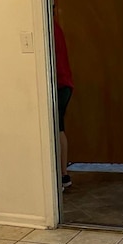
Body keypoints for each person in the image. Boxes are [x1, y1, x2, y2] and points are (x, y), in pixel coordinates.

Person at [53, 14, 73, 189]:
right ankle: (63, 175)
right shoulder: (55, 27)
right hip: (63, 84)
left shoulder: (49, 28)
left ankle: (62, 175)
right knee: (58, 129)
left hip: (59, 85)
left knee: (57, 129)